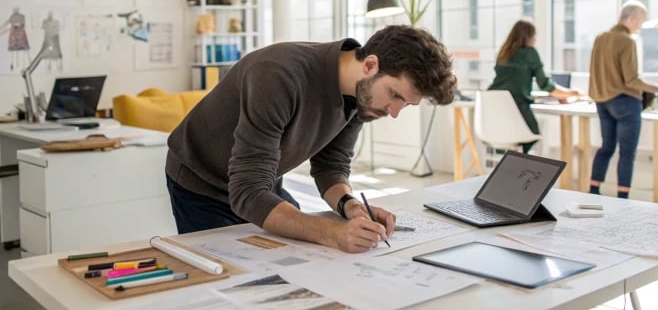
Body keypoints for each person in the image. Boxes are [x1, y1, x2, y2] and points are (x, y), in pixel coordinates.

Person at [166, 25, 456, 253]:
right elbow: (248, 193)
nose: (394, 112)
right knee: (232, 281)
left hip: (261, 181)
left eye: (406, 104)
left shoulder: (363, 95)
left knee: (296, 261)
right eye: (395, 95)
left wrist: (349, 205)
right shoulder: (278, 75)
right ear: (370, 65)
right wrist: (332, 232)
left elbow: (330, 166)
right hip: (201, 181)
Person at [589, 0, 658, 199]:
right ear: (633, 18)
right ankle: (623, 198)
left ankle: (593, 191)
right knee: (627, 153)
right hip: (625, 102)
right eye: (641, 22)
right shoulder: (627, 41)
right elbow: (631, 79)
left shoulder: (601, 38)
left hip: (602, 102)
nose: (640, 27)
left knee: (606, 147)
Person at [487, 19, 579, 153]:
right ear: (528, 37)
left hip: (494, 104)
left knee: (507, 139)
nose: (535, 40)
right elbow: (545, 84)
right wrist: (572, 93)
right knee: (532, 134)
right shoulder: (529, 53)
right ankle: (519, 164)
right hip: (516, 105)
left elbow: (510, 82)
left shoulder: (504, 52)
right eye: (534, 36)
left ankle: (510, 164)